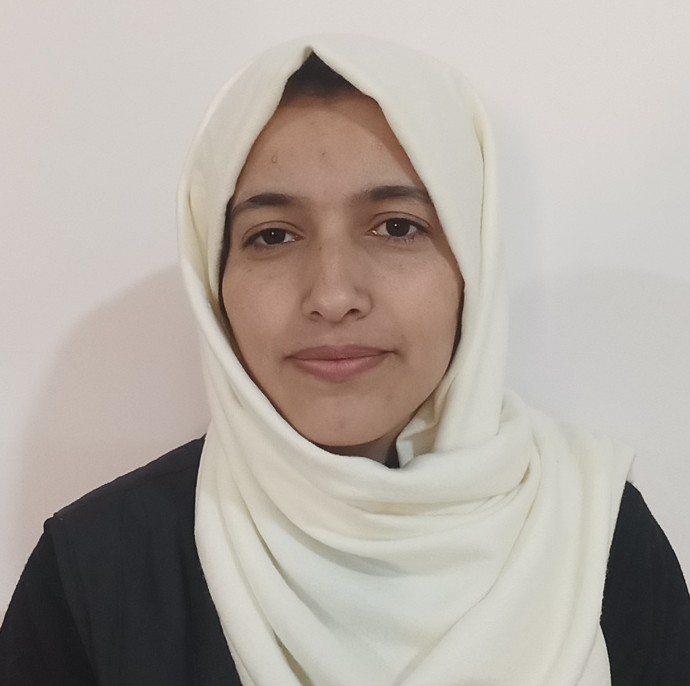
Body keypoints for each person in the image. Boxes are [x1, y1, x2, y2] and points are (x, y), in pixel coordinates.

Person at [1, 34, 689, 685]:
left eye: (397, 227)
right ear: (215, 281)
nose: (332, 296)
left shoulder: (593, 535)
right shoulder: (96, 570)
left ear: (471, 265)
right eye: (273, 236)